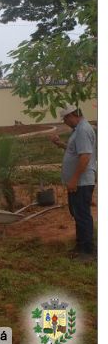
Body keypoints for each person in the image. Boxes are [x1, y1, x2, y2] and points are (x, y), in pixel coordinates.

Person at [50, 106, 97, 260]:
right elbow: (75, 152)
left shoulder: (83, 130)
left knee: (82, 215)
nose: (65, 122)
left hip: (81, 182)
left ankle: (87, 251)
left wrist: (74, 179)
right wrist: (60, 144)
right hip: (79, 182)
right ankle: (81, 245)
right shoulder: (78, 129)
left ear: (73, 115)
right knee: (77, 213)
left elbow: (85, 157)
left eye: (65, 119)